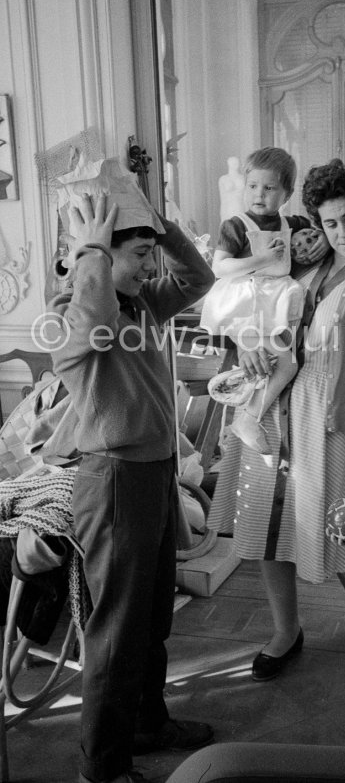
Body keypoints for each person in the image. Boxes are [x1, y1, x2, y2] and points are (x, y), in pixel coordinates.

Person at [207, 158, 345, 679]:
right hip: (268, 408)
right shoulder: (303, 256)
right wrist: (246, 343)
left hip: (330, 417)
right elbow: (250, 300)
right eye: (330, 221)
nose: (341, 231)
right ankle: (285, 631)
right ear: (315, 223)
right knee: (267, 523)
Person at [49, 190, 215, 783]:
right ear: (102, 256)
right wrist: (89, 246)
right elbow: (91, 324)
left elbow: (199, 276)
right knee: (117, 632)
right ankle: (103, 767)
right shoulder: (74, 317)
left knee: (150, 620)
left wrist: (159, 227)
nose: (151, 265)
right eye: (140, 253)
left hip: (152, 474)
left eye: (151, 253)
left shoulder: (142, 305)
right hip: (113, 482)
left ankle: (147, 724)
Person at [201, 147, 327, 456]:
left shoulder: (291, 224)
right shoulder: (236, 225)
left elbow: (319, 229)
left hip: (272, 304)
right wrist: (261, 258)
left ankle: (240, 390)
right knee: (286, 364)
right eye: (253, 186)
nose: (259, 194)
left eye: (269, 188)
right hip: (246, 305)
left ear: (285, 194)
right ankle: (247, 418)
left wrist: (322, 235)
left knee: (281, 363)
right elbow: (220, 267)